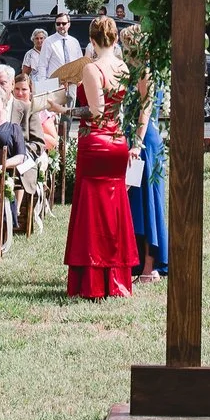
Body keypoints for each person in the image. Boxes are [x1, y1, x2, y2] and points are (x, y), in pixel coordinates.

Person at [65, 17, 137, 298]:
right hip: (118, 140)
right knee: (115, 206)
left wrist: (64, 111)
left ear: (92, 41)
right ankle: (117, 276)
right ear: (116, 39)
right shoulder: (123, 68)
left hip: (95, 142)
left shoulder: (92, 69)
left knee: (90, 209)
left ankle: (92, 279)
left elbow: (94, 111)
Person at [129, 71, 169, 280]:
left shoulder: (146, 72)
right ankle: (136, 261)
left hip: (144, 143)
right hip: (135, 138)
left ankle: (149, 265)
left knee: (147, 202)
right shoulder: (132, 70)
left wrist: (137, 143)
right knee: (135, 202)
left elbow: (146, 107)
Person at [38, 11, 82, 85]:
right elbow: (42, 65)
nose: (61, 26)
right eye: (58, 24)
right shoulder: (48, 41)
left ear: (69, 24)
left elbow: (80, 63)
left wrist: (80, 78)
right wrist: (43, 84)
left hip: (72, 83)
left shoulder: (74, 42)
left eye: (64, 23)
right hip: (55, 83)